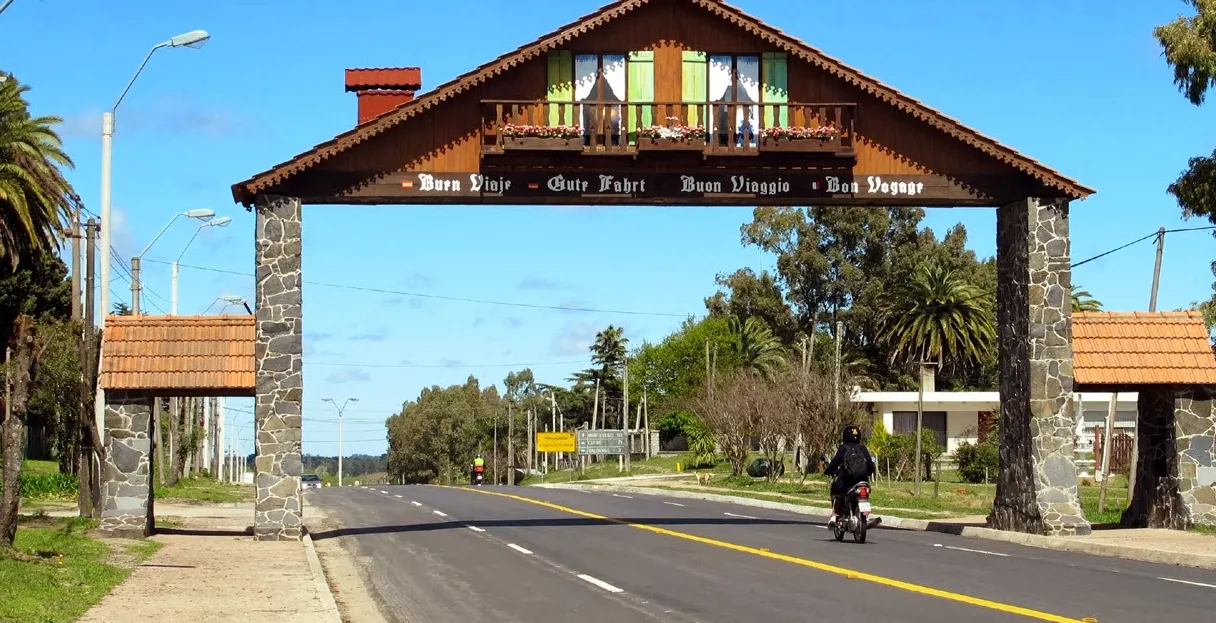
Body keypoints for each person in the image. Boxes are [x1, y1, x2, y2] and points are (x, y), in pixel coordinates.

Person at [823, 424, 875, 528]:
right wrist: (869, 472)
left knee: (838, 493)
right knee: (865, 495)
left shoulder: (844, 448)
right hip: (863, 480)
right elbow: (870, 463)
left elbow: (835, 462)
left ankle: (834, 516)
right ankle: (867, 517)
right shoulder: (862, 448)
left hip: (847, 480)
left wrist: (828, 470)